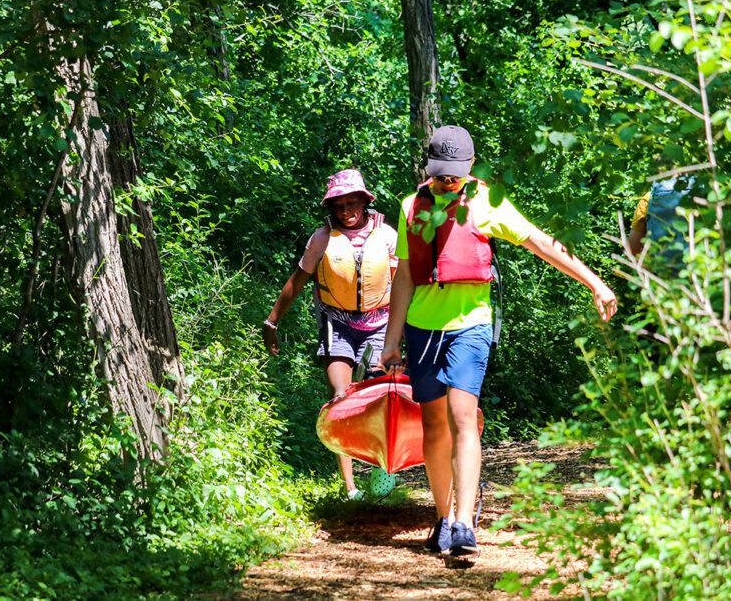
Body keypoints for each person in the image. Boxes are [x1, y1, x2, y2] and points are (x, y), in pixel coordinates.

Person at [378, 125, 618, 557]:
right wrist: (390, 340)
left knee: (461, 415)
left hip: (470, 325)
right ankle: (442, 518)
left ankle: (466, 522)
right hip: (422, 328)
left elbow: (542, 243)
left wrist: (594, 283)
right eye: (441, 173)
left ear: (469, 167)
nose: (448, 181)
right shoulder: (411, 206)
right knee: (433, 425)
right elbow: (404, 279)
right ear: (430, 168)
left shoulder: (487, 203)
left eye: (454, 173)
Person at [264, 169, 398, 500]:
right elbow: (297, 281)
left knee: (381, 397)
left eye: (352, 203)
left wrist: (407, 331)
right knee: (342, 397)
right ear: (331, 208)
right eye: (339, 205)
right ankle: (350, 487)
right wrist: (272, 322)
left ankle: (384, 466)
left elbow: (405, 284)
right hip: (336, 323)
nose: (346, 211)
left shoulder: (388, 236)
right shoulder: (322, 238)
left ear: (365, 203)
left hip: (380, 323)